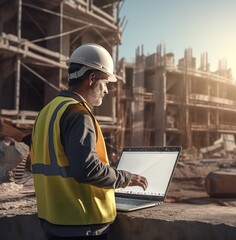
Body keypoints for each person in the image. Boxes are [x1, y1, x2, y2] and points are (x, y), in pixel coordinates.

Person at [30, 43, 148, 240]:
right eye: (106, 83)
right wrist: (125, 178)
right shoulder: (78, 114)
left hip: (52, 221)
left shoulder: (46, 112)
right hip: (81, 224)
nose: (107, 91)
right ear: (92, 78)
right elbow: (87, 169)